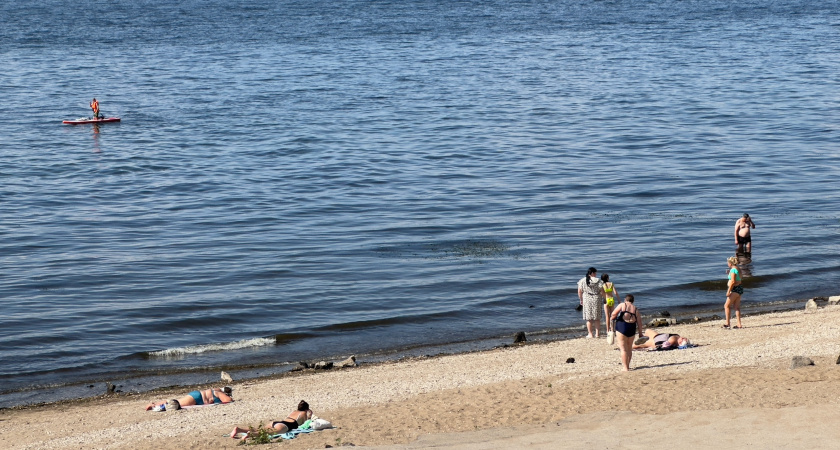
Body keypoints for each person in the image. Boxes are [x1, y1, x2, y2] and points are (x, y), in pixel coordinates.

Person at [230, 400, 313, 441]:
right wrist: (309, 415)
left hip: (276, 422)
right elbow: (304, 424)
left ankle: (239, 429)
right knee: (266, 433)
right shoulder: (303, 413)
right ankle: (250, 435)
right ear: (306, 409)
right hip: (285, 425)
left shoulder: (294, 411)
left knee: (260, 429)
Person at [610, 294, 642, 371]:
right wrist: (640, 333)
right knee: (629, 348)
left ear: (625, 300)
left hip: (622, 326)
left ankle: (625, 368)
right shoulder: (635, 309)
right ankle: (628, 365)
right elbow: (639, 322)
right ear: (633, 301)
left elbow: (614, 314)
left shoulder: (622, 305)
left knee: (623, 349)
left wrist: (612, 319)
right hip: (632, 328)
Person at [145, 386, 233, 411]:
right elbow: (228, 401)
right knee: (176, 403)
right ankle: (154, 405)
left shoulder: (217, 390)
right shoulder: (219, 393)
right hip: (197, 397)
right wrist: (230, 399)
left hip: (197, 396)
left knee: (178, 401)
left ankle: (155, 404)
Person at [578, 267, 606, 338]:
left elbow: (579, 291)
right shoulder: (598, 281)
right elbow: (602, 291)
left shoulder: (582, 280)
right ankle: (597, 334)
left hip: (587, 299)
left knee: (589, 318)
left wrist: (581, 300)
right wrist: (604, 298)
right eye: (595, 273)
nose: (596, 274)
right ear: (593, 273)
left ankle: (590, 334)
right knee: (597, 318)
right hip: (597, 298)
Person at [724, 255, 743, 329]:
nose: (727, 264)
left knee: (726, 306)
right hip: (739, 289)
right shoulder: (738, 269)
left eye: (728, 262)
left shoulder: (733, 270)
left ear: (730, 263)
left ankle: (727, 323)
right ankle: (739, 324)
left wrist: (728, 291)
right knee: (736, 307)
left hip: (734, 289)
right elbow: (738, 280)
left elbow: (732, 281)